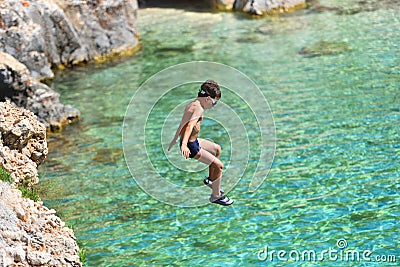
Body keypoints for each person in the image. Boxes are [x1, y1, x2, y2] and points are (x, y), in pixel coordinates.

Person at [168, 80, 234, 206]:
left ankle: (211, 180)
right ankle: (216, 196)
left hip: (193, 141)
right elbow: (189, 127)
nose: (213, 106)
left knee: (216, 149)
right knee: (219, 166)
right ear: (208, 98)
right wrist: (183, 145)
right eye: (214, 103)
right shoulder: (198, 109)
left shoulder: (192, 104)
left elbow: (182, 123)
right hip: (191, 146)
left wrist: (175, 138)